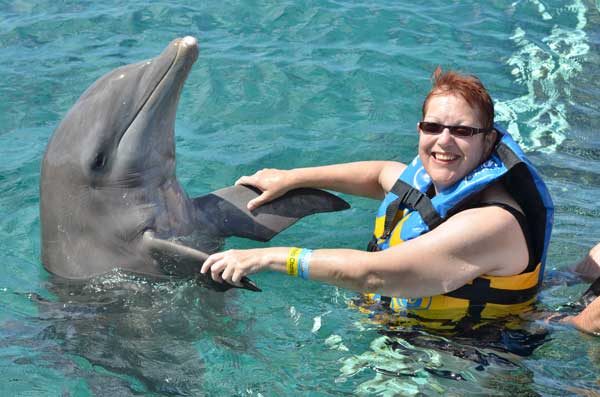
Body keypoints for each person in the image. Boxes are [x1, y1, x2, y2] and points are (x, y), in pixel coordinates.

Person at [201, 67, 554, 329]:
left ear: (489, 141)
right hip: (408, 336)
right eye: (433, 128)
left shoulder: (492, 223)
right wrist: (292, 178)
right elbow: (382, 174)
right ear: (420, 130)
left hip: (468, 363)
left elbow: (373, 276)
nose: (444, 141)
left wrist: (265, 257)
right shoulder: (439, 181)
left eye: (462, 131)